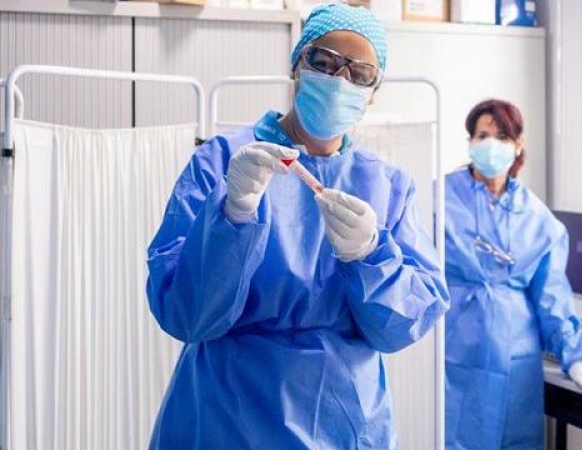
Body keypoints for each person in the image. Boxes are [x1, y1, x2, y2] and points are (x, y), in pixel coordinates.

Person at [145, 5, 449, 449]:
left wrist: (370, 256)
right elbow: (185, 313)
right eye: (324, 63)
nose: (339, 81)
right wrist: (231, 216)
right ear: (297, 65)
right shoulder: (223, 162)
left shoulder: (387, 186)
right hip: (228, 417)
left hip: (344, 421)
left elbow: (401, 326)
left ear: (374, 90)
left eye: (359, 73)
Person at [444, 99, 582, 449]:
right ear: (469, 141)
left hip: (516, 361)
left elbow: (552, 297)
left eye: (502, 136)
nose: (491, 144)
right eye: (483, 135)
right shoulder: (439, 200)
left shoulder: (539, 219)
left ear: (518, 145)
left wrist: (576, 358)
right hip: (455, 353)